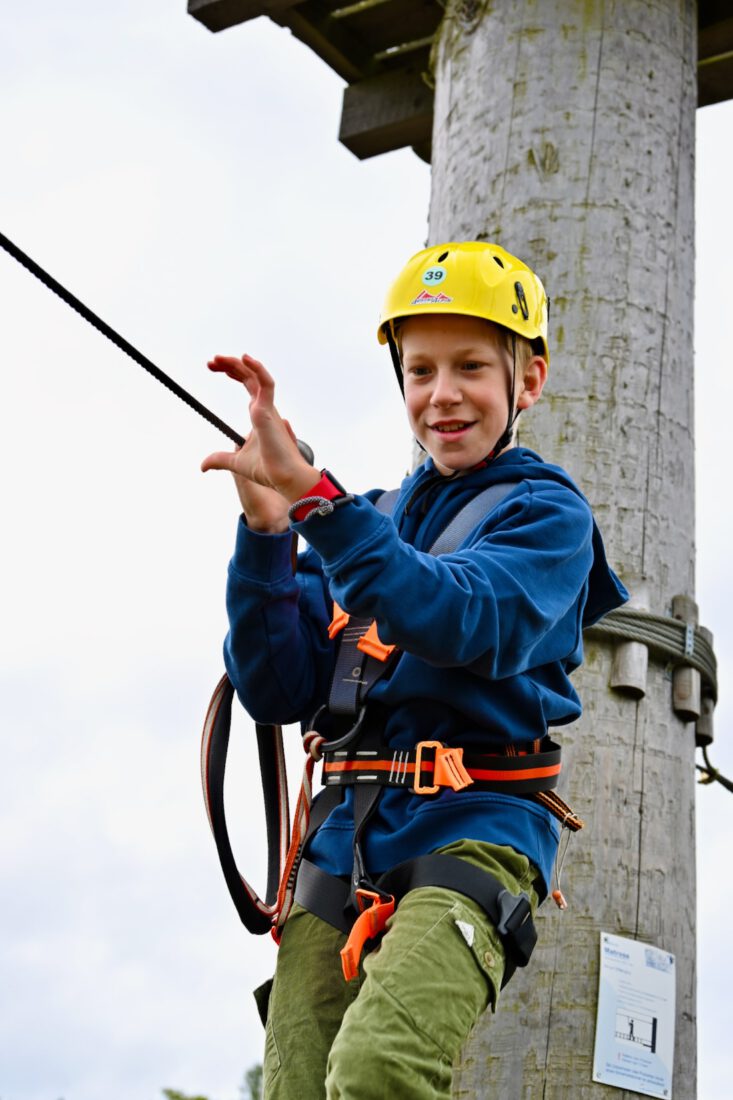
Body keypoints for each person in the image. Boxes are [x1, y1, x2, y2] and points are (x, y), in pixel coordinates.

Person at [201, 241, 628, 1100]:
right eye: (420, 370)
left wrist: (320, 507)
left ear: (527, 381)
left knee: (380, 1072)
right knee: (295, 1088)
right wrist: (267, 533)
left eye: (470, 366)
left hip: (474, 825)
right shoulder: (367, 523)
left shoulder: (546, 517)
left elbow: (459, 615)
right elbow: (276, 687)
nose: (441, 395)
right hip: (342, 842)